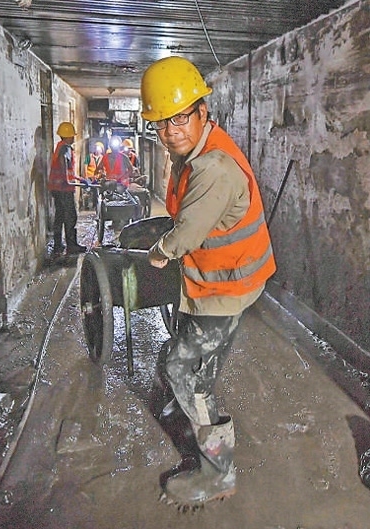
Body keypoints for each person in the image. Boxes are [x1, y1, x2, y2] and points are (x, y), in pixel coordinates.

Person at [140, 56, 276, 507]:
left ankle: (218, 472)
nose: (171, 130)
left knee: (183, 369)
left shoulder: (213, 167)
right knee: (193, 354)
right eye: (161, 122)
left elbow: (184, 236)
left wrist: (158, 252)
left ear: (203, 111)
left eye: (180, 117)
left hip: (224, 288)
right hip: (222, 278)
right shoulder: (193, 151)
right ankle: (191, 402)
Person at [47, 121, 87, 256]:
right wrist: (67, 180)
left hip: (56, 188)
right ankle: (72, 245)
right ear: (68, 136)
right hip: (64, 188)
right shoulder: (65, 149)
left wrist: (80, 179)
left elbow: (69, 171)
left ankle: (58, 245)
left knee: (59, 216)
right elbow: (64, 164)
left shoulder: (59, 147)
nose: (74, 137)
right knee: (70, 217)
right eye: (72, 135)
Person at [83, 141, 106, 209]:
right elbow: (85, 166)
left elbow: (104, 168)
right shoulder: (89, 157)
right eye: (96, 148)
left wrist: (102, 175)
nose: (97, 150)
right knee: (87, 190)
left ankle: (95, 205)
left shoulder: (103, 158)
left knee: (96, 191)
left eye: (99, 148)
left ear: (101, 150)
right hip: (89, 177)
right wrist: (86, 176)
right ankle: (86, 205)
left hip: (97, 178)